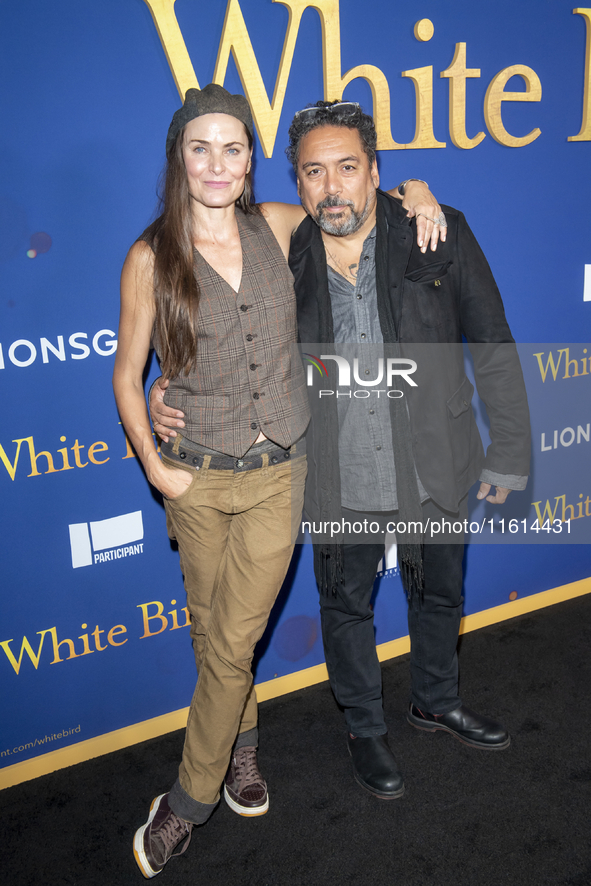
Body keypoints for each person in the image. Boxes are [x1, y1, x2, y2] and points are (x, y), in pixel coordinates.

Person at [151, 100, 530, 804]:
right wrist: (162, 387)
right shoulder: (275, 247)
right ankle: (363, 727)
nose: (331, 187)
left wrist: (509, 450)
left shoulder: (434, 232)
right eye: (313, 172)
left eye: (347, 168)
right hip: (334, 461)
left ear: (375, 173)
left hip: (432, 453)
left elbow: (493, 340)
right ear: (295, 183)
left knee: (439, 590)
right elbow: (222, 321)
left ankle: (434, 700)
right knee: (347, 604)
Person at [115, 86, 443, 878]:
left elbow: (350, 199)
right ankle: (243, 753)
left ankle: (185, 804)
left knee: (233, 637)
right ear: (179, 158)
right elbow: (129, 375)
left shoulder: (278, 224)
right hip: (195, 479)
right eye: (202, 148)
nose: (218, 164)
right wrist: (157, 468)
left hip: (275, 476)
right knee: (211, 629)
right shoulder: (150, 256)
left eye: (234, 148)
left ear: (250, 160)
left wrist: (417, 188)